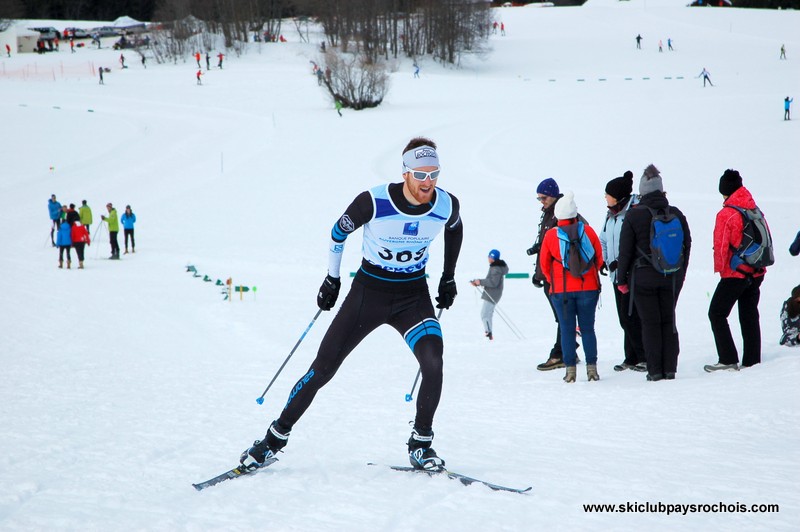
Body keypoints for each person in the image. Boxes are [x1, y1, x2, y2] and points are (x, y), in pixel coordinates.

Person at [240, 137, 463, 472]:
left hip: (412, 297)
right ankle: (273, 440)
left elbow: (455, 230)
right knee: (322, 369)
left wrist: (448, 277)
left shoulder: (446, 204)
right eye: (420, 174)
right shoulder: (373, 201)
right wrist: (332, 279)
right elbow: (337, 233)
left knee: (434, 361)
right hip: (368, 295)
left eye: (434, 174)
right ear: (405, 173)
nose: (428, 182)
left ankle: (421, 444)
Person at [616, 165, 692, 381]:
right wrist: (681, 274)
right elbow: (687, 245)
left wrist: (622, 280)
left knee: (649, 324)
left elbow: (625, 252)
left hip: (643, 278)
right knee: (669, 321)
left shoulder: (634, 215)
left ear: (642, 192)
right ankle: (670, 369)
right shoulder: (676, 213)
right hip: (671, 277)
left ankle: (655, 370)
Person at [704, 170, 769, 372]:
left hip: (736, 273)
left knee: (716, 313)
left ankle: (727, 359)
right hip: (757, 271)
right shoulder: (754, 208)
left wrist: (722, 270)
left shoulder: (727, 213)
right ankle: (752, 360)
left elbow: (721, 245)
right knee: (749, 314)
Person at [539, 191, 604, 383]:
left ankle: (570, 371)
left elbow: (544, 265)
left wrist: (554, 280)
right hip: (589, 288)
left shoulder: (551, 236)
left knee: (567, 329)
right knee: (588, 329)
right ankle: (592, 369)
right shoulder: (588, 231)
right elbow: (599, 260)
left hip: (561, 291)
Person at [527, 178, 582, 371]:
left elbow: (558, 249)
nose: (541, 201)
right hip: (550, 275)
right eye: (539, 198)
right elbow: (546, 247)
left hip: (560, 277)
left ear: (553, 195)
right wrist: (539, 272)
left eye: (544, 197)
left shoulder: (563, 213)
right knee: (562, 316)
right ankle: (569, 350)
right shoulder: (550, 214)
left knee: (563, 316)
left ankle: (560, 354)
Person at [600, 171, 646, 372]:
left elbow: (635, 243)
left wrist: (621, 263)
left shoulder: (633, 212)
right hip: (615, 274)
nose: (605, 198)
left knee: (632, 316)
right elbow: (603, 238)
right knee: (624, 317)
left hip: (631, 274)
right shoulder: (611, 214)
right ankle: (631, 357)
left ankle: (644, 356)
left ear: (618, 196)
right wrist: (605, 259)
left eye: (607, 194)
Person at [470, 249, 508, 340]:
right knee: (487, 314)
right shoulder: (495, 267)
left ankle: (488, 333)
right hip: (492, 293)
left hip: (492, 295)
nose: (488, 258)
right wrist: (479, 282)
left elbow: (493, 283)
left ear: (492, 257)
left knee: (484, 314)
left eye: (489, 256)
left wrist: (480, 282)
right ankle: (489, 333)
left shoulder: (496, 268)